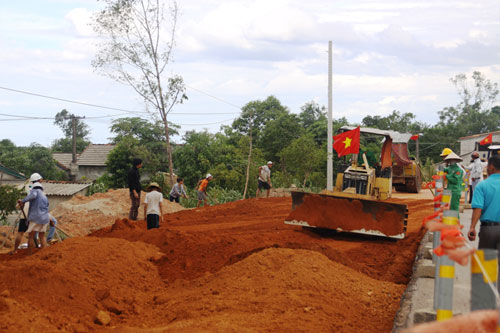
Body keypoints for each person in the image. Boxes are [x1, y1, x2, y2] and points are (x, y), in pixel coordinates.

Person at [468, 155, 500, 289]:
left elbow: (478, 209)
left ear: (491, 167)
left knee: (487, 263)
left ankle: (487, 299)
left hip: (489, 230)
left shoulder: (482, 185)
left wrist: (472, 228)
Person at [11, 173, 43, 254]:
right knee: (31, 235)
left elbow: (19, 205)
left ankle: (15, 250)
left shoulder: (30, 190)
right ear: (38, 180)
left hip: (24, 214)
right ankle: (30, 253)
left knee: (20, 233)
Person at [18, 181, 49, 254]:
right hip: (45, 218)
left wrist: (22, 201)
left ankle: (30, 254)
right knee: (42, 236)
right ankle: (44, 254)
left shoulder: (35, 191)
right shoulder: (44, 195)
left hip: (36, 217)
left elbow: (32, 196)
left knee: (31, 236)